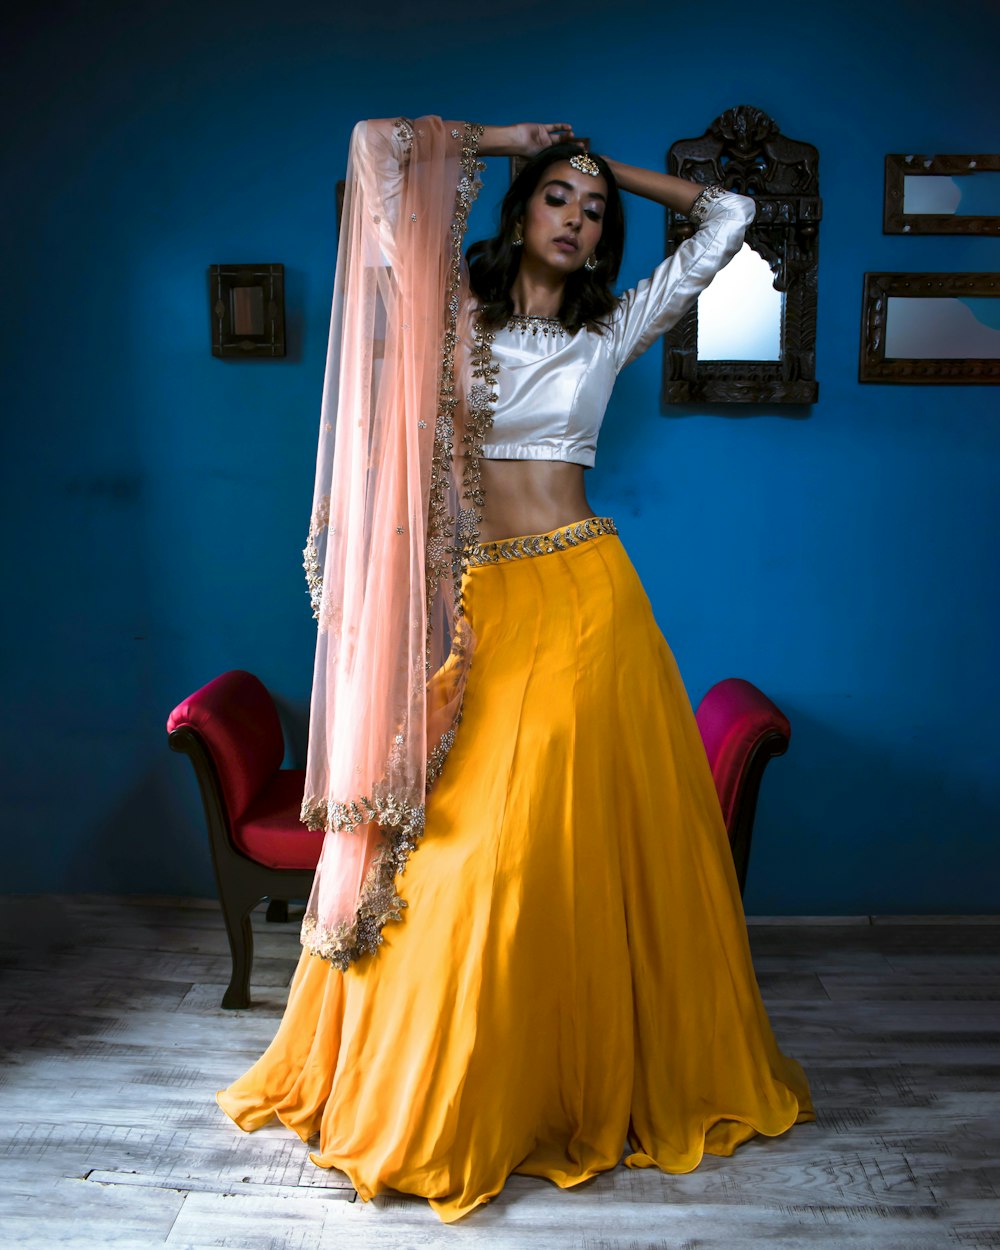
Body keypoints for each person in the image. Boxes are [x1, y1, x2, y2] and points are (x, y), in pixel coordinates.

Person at [216, 116, 815, 1223]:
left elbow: (727, 217)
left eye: (594, 214)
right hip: (473, 605)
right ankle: (439, 1084)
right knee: (451, 851)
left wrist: (603, 165)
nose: (578, 220)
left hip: (588, 602)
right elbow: (372, 152)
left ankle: (555, 1083)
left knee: (550, 843)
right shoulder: (451, 314)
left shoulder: (616, 328)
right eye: (557, 199)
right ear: (517, 205)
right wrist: (509, 139)